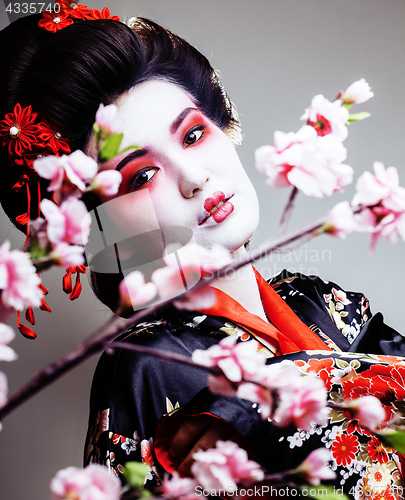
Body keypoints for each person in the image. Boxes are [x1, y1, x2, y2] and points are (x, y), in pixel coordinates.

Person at [1, 7, 405, 499]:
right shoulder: (148, 364)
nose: (193, 178)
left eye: (193, 134)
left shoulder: (321, 301)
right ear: (95, 225)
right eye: (141, 176)